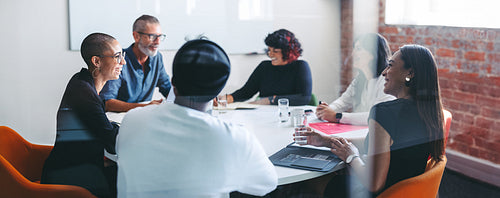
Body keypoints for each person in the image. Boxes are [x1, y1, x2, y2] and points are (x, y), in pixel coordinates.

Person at [116, 39, 278, 197]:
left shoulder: (132, 120)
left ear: (173, 82)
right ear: (218, 91)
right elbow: (267, 184)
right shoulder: (234, 138)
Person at [297, 44, 445, 197]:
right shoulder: (429, 112)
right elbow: (379, 145)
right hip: (406, 192)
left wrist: (351, 156)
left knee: (307, 180)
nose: (383, 72)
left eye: (390, 66)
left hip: (379, 193)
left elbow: (374, 184)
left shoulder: (384, 112)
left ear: (410, 73)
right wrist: (326, 141)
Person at [42, 33, 124, 198]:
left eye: (122, 55)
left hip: (78, 167)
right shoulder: (83, 92)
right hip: (69, 177)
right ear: (96, 61)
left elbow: (101, 127)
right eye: (117, 57)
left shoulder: (83, 82)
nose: (123, 62)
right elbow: (111, 142)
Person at [316, 33, 395, 125]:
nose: (353, 53)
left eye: (358, 49)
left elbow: (378, 116)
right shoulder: (359, 79)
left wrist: (337, 116)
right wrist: (327, 110)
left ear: (373, 53)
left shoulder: (386, 81)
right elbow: (343, 101)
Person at [222, 29, 312, 106]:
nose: (270, 54)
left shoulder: (300, 66)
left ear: (288, 52)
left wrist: (269, 100)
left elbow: (304, 98)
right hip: (264, 115)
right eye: (269, 50)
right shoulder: (264, 66)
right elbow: (246, 92)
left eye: (275, 51)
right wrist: (227, 98)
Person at [100, 14, 171, 112]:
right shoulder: (119, 60)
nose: (158, 42)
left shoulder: (157, 58)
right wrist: (144, 107)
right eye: (152, 36)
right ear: (136, 36)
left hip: (144, 116)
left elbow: (167, 87)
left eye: (159, 36)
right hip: (118, 118)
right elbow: (107, 102)